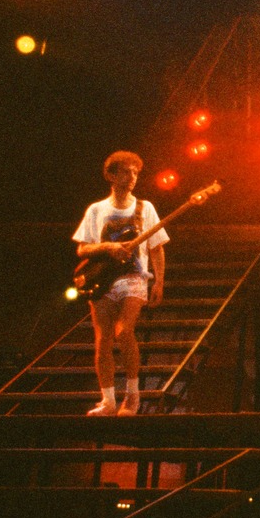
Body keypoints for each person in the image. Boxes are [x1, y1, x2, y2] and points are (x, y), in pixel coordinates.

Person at [73, 151, 167, 417]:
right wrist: (109, 247)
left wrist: (159, 282)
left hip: (134, 277)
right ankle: (108, 400)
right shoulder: (97, 210)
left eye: (136, 172)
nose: (132, 177)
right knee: (102, 339)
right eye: (126, 171)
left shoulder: (145, 208)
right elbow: (83, 249)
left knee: (124, 331)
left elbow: (157, 247)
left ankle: (133, 395)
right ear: (111, 175)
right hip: (104, 279)